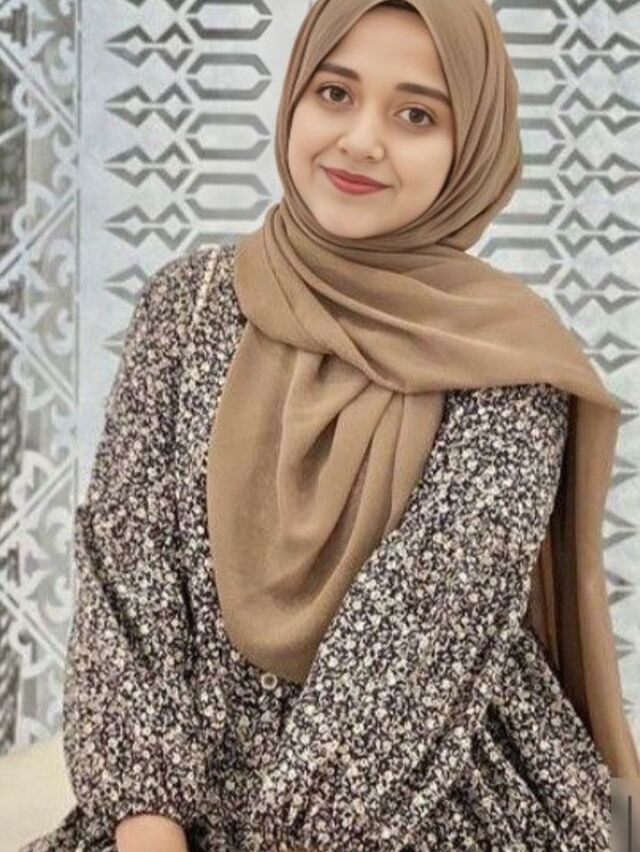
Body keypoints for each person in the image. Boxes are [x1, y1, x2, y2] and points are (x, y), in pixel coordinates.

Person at [23, 1, 639, 850]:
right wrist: (146, 822)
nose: (360, 140)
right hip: (180, 797)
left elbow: (419, 642)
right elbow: (129, 579)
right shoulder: (188, 305)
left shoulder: (508, 361)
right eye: (335, 93)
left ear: (471, 147)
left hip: (437, 799)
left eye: (416, 115)